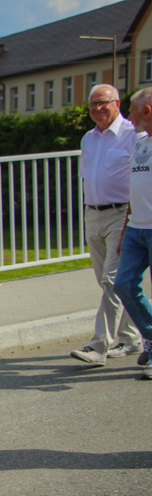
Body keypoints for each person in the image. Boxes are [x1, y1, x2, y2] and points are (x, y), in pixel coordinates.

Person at [71, 84, 142, 366]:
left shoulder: (132, 134)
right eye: (92, 104)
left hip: (121, 213)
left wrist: (132, 216)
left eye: (103, 103)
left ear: (117, 103)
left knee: (112, 280)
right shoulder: (88, 138)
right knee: (109, 282)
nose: (97, 108)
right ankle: (130, 336)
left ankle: (99, 345)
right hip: (93, 213)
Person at [114, 88, 152, 379]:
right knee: (124, 285)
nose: (129, 115)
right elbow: (135, 189)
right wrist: (127, 226)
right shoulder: (142, 143)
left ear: (147, 111)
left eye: (132, 109)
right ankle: (150, 336)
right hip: (136, 229)